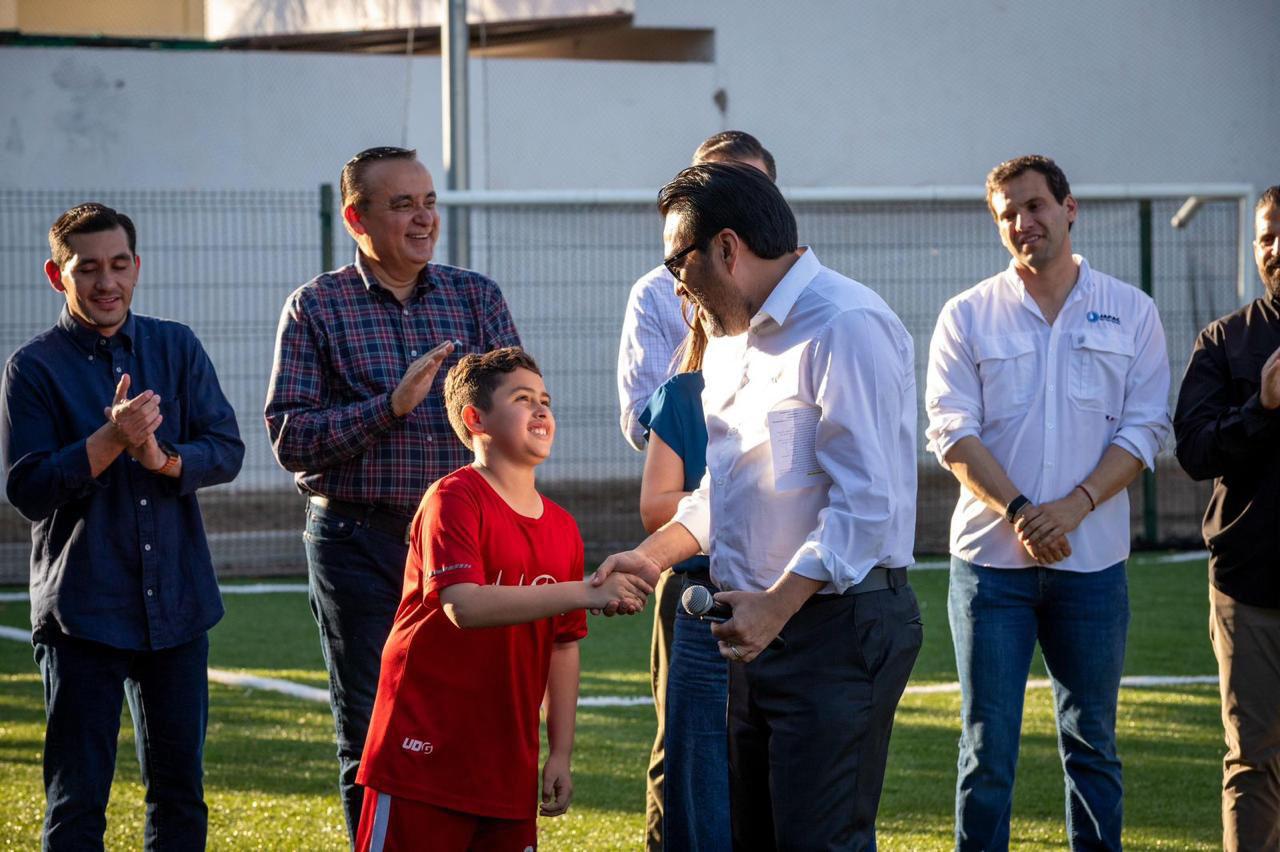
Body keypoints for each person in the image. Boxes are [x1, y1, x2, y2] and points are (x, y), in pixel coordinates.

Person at [595, 162, 922, 850]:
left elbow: (866, 505)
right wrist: (650, 559)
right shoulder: (728, 341)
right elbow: (725, 488)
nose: (673, 284)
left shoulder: (846, 323)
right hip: (753, 631)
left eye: (675, 262)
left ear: (726, 248)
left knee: (817, 841)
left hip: (836, 626)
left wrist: (777, 604)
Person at [264, 146, 521, 842]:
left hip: (465, 543)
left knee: (475, 721)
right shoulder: (316, 307)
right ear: (356, 218)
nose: (423, 217)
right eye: (403, 204)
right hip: (361, 544)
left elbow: (520, 414)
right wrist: (392, 406)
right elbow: (291, 438)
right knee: (375, 731)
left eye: (429, 201)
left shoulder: (476, 297)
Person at [924, 155, 1172, 851]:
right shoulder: (966, 315)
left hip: (1092, 568)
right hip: (990, 571)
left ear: (1070, 208)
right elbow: (951, 431)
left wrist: (1075, 507)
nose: (1021, 223)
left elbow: (1146, 426)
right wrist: (1022, 511)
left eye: (1033, 206)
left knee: (1093, 744)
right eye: (1006, 213)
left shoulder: (1133, 310)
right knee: (986, 752)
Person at [1, 203, 244, 850]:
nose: (106, 282)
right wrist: (110, 439)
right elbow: (26, 490)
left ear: (136, 268)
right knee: (77, 802)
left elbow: (227, 448)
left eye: (118, 265)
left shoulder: (177, 345)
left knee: (180, 797)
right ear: (58, 276)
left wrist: (163, 459)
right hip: (83, 612)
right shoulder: (33, 368)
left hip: (179, 609)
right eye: (87, 269)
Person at [353, 347, 650, 851]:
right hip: (422, 757)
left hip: (506, 768)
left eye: (545, 400)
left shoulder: (563, 527)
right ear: (476, 419)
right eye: (522, 399)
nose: (541, 410)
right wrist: (585, 591)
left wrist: (560, 753)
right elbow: (462, 605)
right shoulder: (453, 499)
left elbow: (563, 646)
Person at [615, 130, 776, 851]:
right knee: (686, 750)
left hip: (788, 586)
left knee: (768, 754)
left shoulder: (817, 321)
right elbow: (666, 471)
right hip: (697, 581)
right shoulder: (669, 316)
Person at [1174, 184, 1280, 852]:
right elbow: (1193, 451)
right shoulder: (1226, 341)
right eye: (1268, 234)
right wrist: (1262, 409)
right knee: (1254, 759)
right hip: (1253, 589)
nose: (1278, 247)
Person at [637, 306, 730, 850]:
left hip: (782, 589)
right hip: (695, 592)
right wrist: (742, 501)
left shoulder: (791, 382)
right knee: (682, 749)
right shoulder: (682, 394)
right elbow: (655, 509)